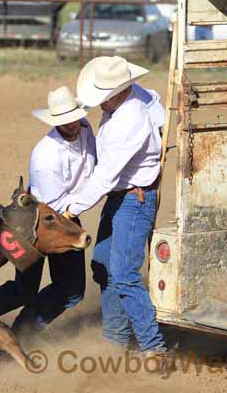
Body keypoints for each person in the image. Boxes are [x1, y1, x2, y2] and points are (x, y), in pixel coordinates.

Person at [63, 56, 167, 356]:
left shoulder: (128, 120)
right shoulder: (138, 97)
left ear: (121, 91)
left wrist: (73, 207)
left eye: (105, 98)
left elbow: (106, 176)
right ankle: (116, 340)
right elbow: (156, 102)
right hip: (124, 197)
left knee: (123, 273)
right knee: (105, 265)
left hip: (134, 200)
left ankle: (153, 347)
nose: (100, 104)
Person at [0, 86, 96, 336]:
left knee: (70, 289)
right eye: (65, 121)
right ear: (55, 122)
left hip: (60, 215)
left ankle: (21, 332)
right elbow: (56, 207)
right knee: (26, 290)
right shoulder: (45, 156)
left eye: (75, 117)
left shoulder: (85, 128)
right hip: (37, 222)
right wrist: (99, 189)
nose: (73, 124)